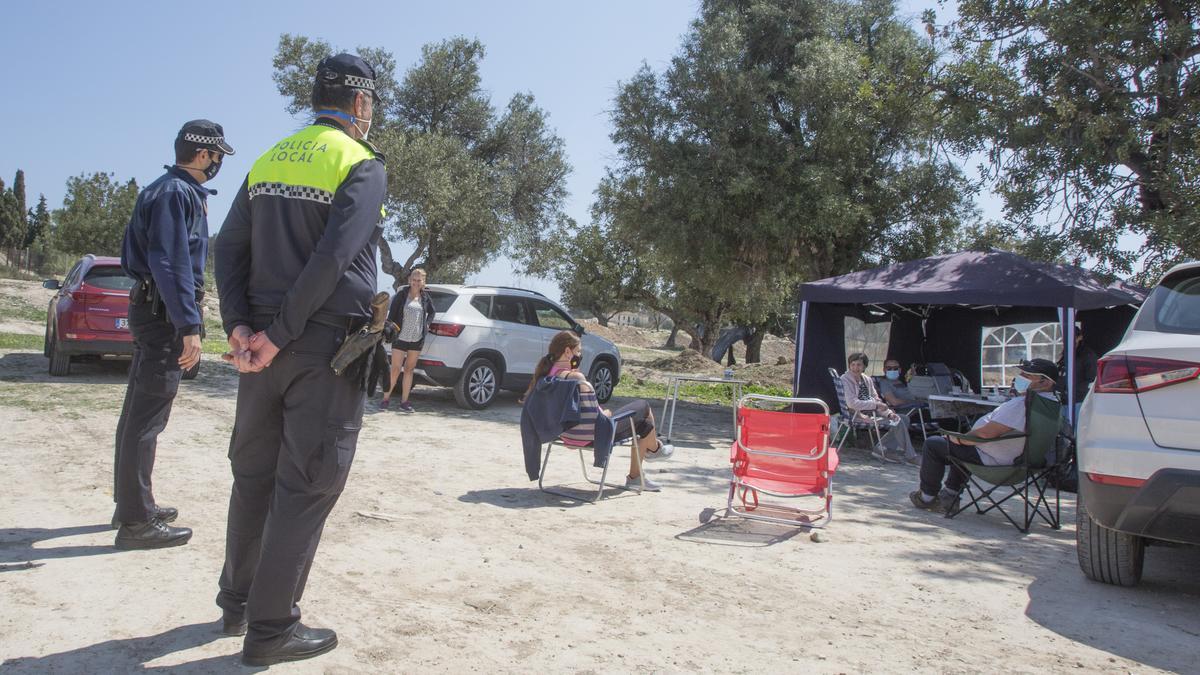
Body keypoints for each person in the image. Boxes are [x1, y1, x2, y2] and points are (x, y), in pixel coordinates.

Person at [213, 53, 386, 666]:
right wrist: (281, 333)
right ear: (360, 105)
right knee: (306, 485)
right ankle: (270, 630)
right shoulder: (360, 164)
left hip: (258, 349)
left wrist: (240, 326)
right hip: (321, 350)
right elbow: (333, 259)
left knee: (253, 476)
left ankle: (235, 602)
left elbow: (228, 244)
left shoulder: (268, 158)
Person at [112, 120, 234, 549]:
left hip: (153, 309)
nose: (219, 163)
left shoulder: (165, 189)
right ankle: (136, 521)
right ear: (203, 155)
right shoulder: (176, 194)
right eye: (217, 156)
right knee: (146, 420)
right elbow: (171, 264)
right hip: (163, 315)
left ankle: (132, 503)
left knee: (137, 416)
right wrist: (188, 326)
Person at [524, 330, 675, 491]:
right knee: (644, 407)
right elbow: (597, 415)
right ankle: (653, 451)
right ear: (568, 352)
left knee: (643, 426)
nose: (580, 356)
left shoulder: (546, 378)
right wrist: (607, 413)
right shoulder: (576, 380)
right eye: (578, 352)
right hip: (593, 436)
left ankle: (649, 457)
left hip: (565, 434)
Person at [909, 358, 1060, 513]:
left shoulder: (1024, 404)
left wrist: (959, 439)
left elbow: (985, 434)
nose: (1020, 377)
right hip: (1024, 462)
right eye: (1022, 373)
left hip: (998, 462)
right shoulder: (1051, 405)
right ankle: (950, 495)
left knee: (935, 444)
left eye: (1027, 375)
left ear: (1046, 383)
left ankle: (927, 497)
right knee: (961, 446)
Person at [839, 353, 918, 463]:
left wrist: (889, 413)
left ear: (864, 366)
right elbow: (852, 403)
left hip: (872, 412)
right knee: (899, 422)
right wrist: (875, 406)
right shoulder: (845, 379)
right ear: (849, 365)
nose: (856, 368)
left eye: (859, 365)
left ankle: (883, 449)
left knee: (902, 418)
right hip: (855, 414)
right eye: (853, 365)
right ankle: (911, 456)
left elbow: (876, 399)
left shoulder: (867, 379)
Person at [381, 268, 435, 412]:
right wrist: (390, 330)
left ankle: (404, 402)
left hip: (416, 339)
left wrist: (428, 323)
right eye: (414, 279)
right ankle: (385, 398)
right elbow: (391, 315)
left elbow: (432, 312)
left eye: (419, 280)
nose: (416, 282)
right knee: (395, 369)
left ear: (423, 282)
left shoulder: (425, 298)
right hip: (400, 337)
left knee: (409, 370)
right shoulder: (401, 295)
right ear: (410, 280)